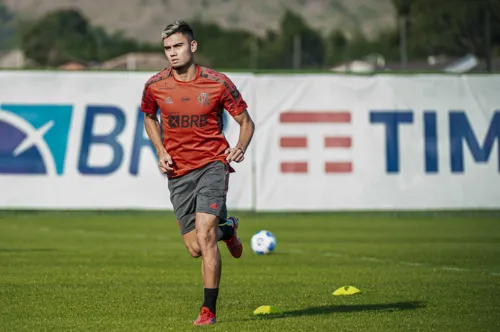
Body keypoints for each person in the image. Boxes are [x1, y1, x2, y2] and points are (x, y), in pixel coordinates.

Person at [140, 20, 255, 326]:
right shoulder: (155, 85)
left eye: (177, 46)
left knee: (204, 235)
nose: (172, 53)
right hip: (178, 172)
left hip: (212, 164)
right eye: (167, 48)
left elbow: (246, 122)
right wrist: (161, 151)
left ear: (193, 46)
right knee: (194, 248)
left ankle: (208, 310)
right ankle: (228, 230)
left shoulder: (218, 83)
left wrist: (240, 147)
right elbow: (149, 117)